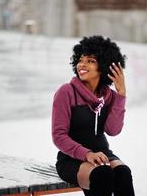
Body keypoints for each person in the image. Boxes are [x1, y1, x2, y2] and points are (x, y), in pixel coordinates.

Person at [51, 35, 135, 196]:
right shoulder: (66, 92)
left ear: (103, 67)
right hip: (72, 158)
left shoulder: (108, 95)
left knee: (123, 173)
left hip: (102, 154)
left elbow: (113, 130)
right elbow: (58, 136)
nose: (82, 64)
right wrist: (87, 154)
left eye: (90, 61)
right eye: (81, 59)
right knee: (102, 175)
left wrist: (121, 95)